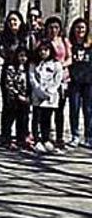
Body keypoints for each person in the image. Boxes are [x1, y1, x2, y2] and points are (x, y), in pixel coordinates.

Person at [30, 41, 64, 154]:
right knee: (36, 117)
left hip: (50, 96)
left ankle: (46, 139)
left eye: (46, 50)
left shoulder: (56, 64)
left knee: (47, 118)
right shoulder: (34, 64)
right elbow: (32, 79)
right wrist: (39, 91)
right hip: (37, 95)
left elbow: (57, 80)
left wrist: (50, 91)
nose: (43, 52)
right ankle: (36, 140)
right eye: (41, 50)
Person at [42, 17, 70, 149]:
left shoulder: (64, 41)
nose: (53, 30)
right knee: (46, 110)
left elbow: (70, 58)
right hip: (47, 79)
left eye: (56, 27)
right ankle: (45, 136)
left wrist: (61, 66)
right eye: (51, 27)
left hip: (62, 79)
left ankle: (59, 137)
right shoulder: (43, 42)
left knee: (60, 110)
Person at [67, 18, 92, 148]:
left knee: (88, 110)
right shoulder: (70, 45)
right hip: (74, 82)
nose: (80, 31)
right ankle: (75, 135)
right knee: (74, 109)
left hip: (88, 82)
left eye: (82, 28)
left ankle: (89, 136)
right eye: (77, 28)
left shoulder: (90, 45)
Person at [1, 47, 31, 151]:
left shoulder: (28, 68)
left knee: (23, 119)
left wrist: (28, 96)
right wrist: (18, 95)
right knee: (9, 118)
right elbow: (9, 84)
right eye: (21, 56)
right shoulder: (11, 67)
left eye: (25, 56)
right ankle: (6, 139)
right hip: (13, 98)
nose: (23, 58)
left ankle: (21, 139)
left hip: (25, 98)